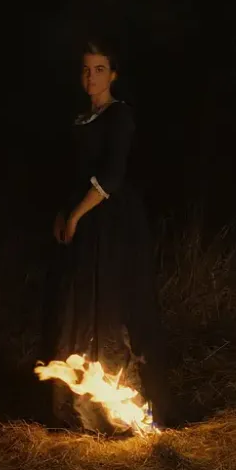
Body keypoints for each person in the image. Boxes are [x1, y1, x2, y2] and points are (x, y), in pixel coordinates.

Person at [42, 40, 176, 434]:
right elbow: (71, 173)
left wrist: (77, 213)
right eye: (86, 69)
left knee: (111, 308)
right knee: (79, 307)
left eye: (100, 69)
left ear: (113, 74)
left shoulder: (120, 116)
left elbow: (113, 176)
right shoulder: (80, 119)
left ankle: (123, 409)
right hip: (83, 223)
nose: (91, 76)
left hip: (111, 222)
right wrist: (63, 213)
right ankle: (79, 406)